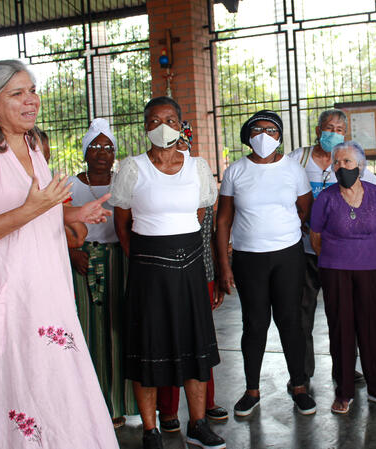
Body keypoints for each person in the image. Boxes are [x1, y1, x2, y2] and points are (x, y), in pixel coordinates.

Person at [0, 59, 118, 448]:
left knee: (59, 392)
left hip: (45, 297)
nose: (32, 100)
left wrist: (72, 213)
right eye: (18, 93)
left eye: (33, 90)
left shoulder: (28, 143)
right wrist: (33, 210)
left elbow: (39, 211)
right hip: (8, 304)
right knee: (19, 397)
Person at [111, 97, 224, 449]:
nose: (164, 125)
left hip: (189, 266)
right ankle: (150, 430)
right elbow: (122, 224)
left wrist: (184, 252)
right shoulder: (133, 168)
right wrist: (147, 258)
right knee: (148, 348)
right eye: (156, 119)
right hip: (148, 271)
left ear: (181, 124)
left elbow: (202, 215)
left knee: (195, 347)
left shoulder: (198, 167)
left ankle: (198, 423)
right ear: (146, 127)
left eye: (171, 119)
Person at [215, 110, 317, 417]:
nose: (264, 135)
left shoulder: (293, 170)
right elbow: (223, 220)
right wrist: (224, 264)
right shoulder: (236, 171)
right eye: (257, 130)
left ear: (280, 136)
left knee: (291, 321)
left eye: (271, 130)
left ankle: (299, 386)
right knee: (254, 324)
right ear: (247, 136)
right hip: (248, 258)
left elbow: (304, 210)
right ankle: (252, 390)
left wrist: (278, 231)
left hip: (288, 256)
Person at [287, 109, 376, 385]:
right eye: (329, 127)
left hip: (340, 256)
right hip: (304, 252)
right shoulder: (298, 159)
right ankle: (302, 374)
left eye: (340, 129)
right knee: (302, 313)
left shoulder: (347, 160)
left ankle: (346, 369)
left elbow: (371, 193)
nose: (334, 133)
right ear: (317, 130)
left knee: (344, 313)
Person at [309, 140, 376, 413]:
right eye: (337, 162)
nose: (341, 167)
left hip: (369, 269)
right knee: (341, 328)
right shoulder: (326, 197)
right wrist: (338, 256)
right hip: (335, 270)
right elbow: (316, 238)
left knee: (369, 328)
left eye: (347, 162)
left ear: (360, 165)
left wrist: (363, 252)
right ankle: (344, 390)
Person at [156, 121, 228, 433]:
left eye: (184, 144)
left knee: (201, 339)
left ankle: (207, 404)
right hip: (166, 272)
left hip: (202, 272)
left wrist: (219, 274)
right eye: (174, 145)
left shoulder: (200, 178)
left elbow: (212, 233)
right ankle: (168, 410)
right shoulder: (156, 183)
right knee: (165, 339)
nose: (179, 151)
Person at [68, 118, 136, 429]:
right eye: (95, 146)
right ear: (84, 151)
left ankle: (120, 403)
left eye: (107, 147)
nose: (101, 152)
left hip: (120, 261)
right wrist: (71, 253)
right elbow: (53, 226)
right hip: (83, 261)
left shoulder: (124, 181)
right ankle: (93, 405)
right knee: (88, 331)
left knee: (119, 329)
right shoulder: (71, 185)